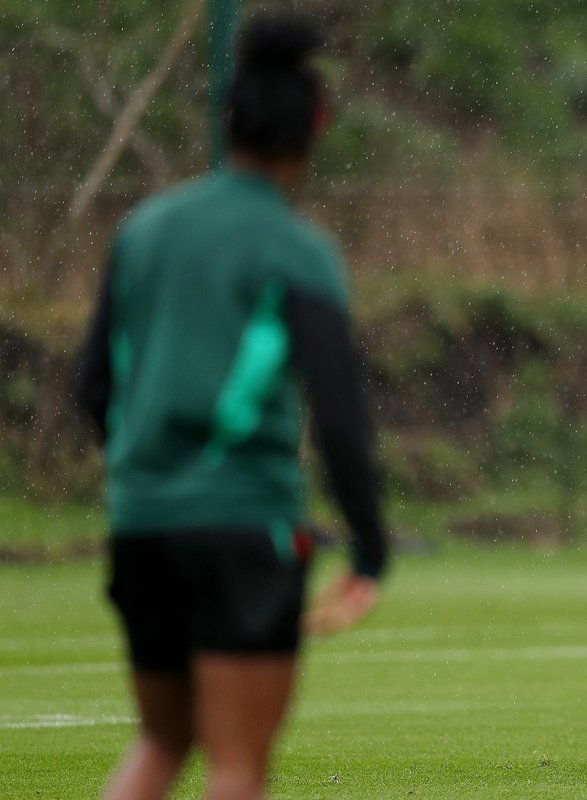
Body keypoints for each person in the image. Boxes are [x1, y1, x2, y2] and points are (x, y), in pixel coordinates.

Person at [72, 13, 386, 800]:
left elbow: (91, 389)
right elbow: (342, 417)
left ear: (229, 120)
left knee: (159, 743)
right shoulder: (297, 248)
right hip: (244, 528)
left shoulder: (144, 230)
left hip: (140, 523)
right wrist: (370, 546)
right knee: (237, 762)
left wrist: (151, 474)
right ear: (313, 133)